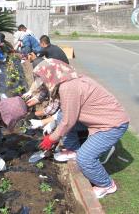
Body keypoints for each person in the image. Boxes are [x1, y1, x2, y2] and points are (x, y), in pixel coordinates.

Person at [34, 59, 129, 199]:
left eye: (43, 77)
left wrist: (51, 138)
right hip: (98, 119)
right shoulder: (68, 81)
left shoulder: (68, 87)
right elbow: (65, 116)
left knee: (85, 158)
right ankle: (73, 149)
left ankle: (106, 185)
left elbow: (68, 122)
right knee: (61, 118)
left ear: (52, 75)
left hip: (111, 125)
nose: (42, 81)